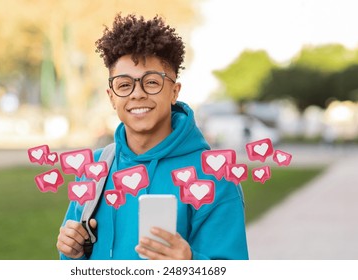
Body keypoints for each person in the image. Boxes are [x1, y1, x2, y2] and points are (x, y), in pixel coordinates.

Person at [56, 14, 249, 260]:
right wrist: (71, 252)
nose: (137, 94)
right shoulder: (93, 169)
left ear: (174, 91)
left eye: (151, 82)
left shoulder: (216, 178)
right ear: (111, 96)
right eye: (124, 85)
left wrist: (189, 264)